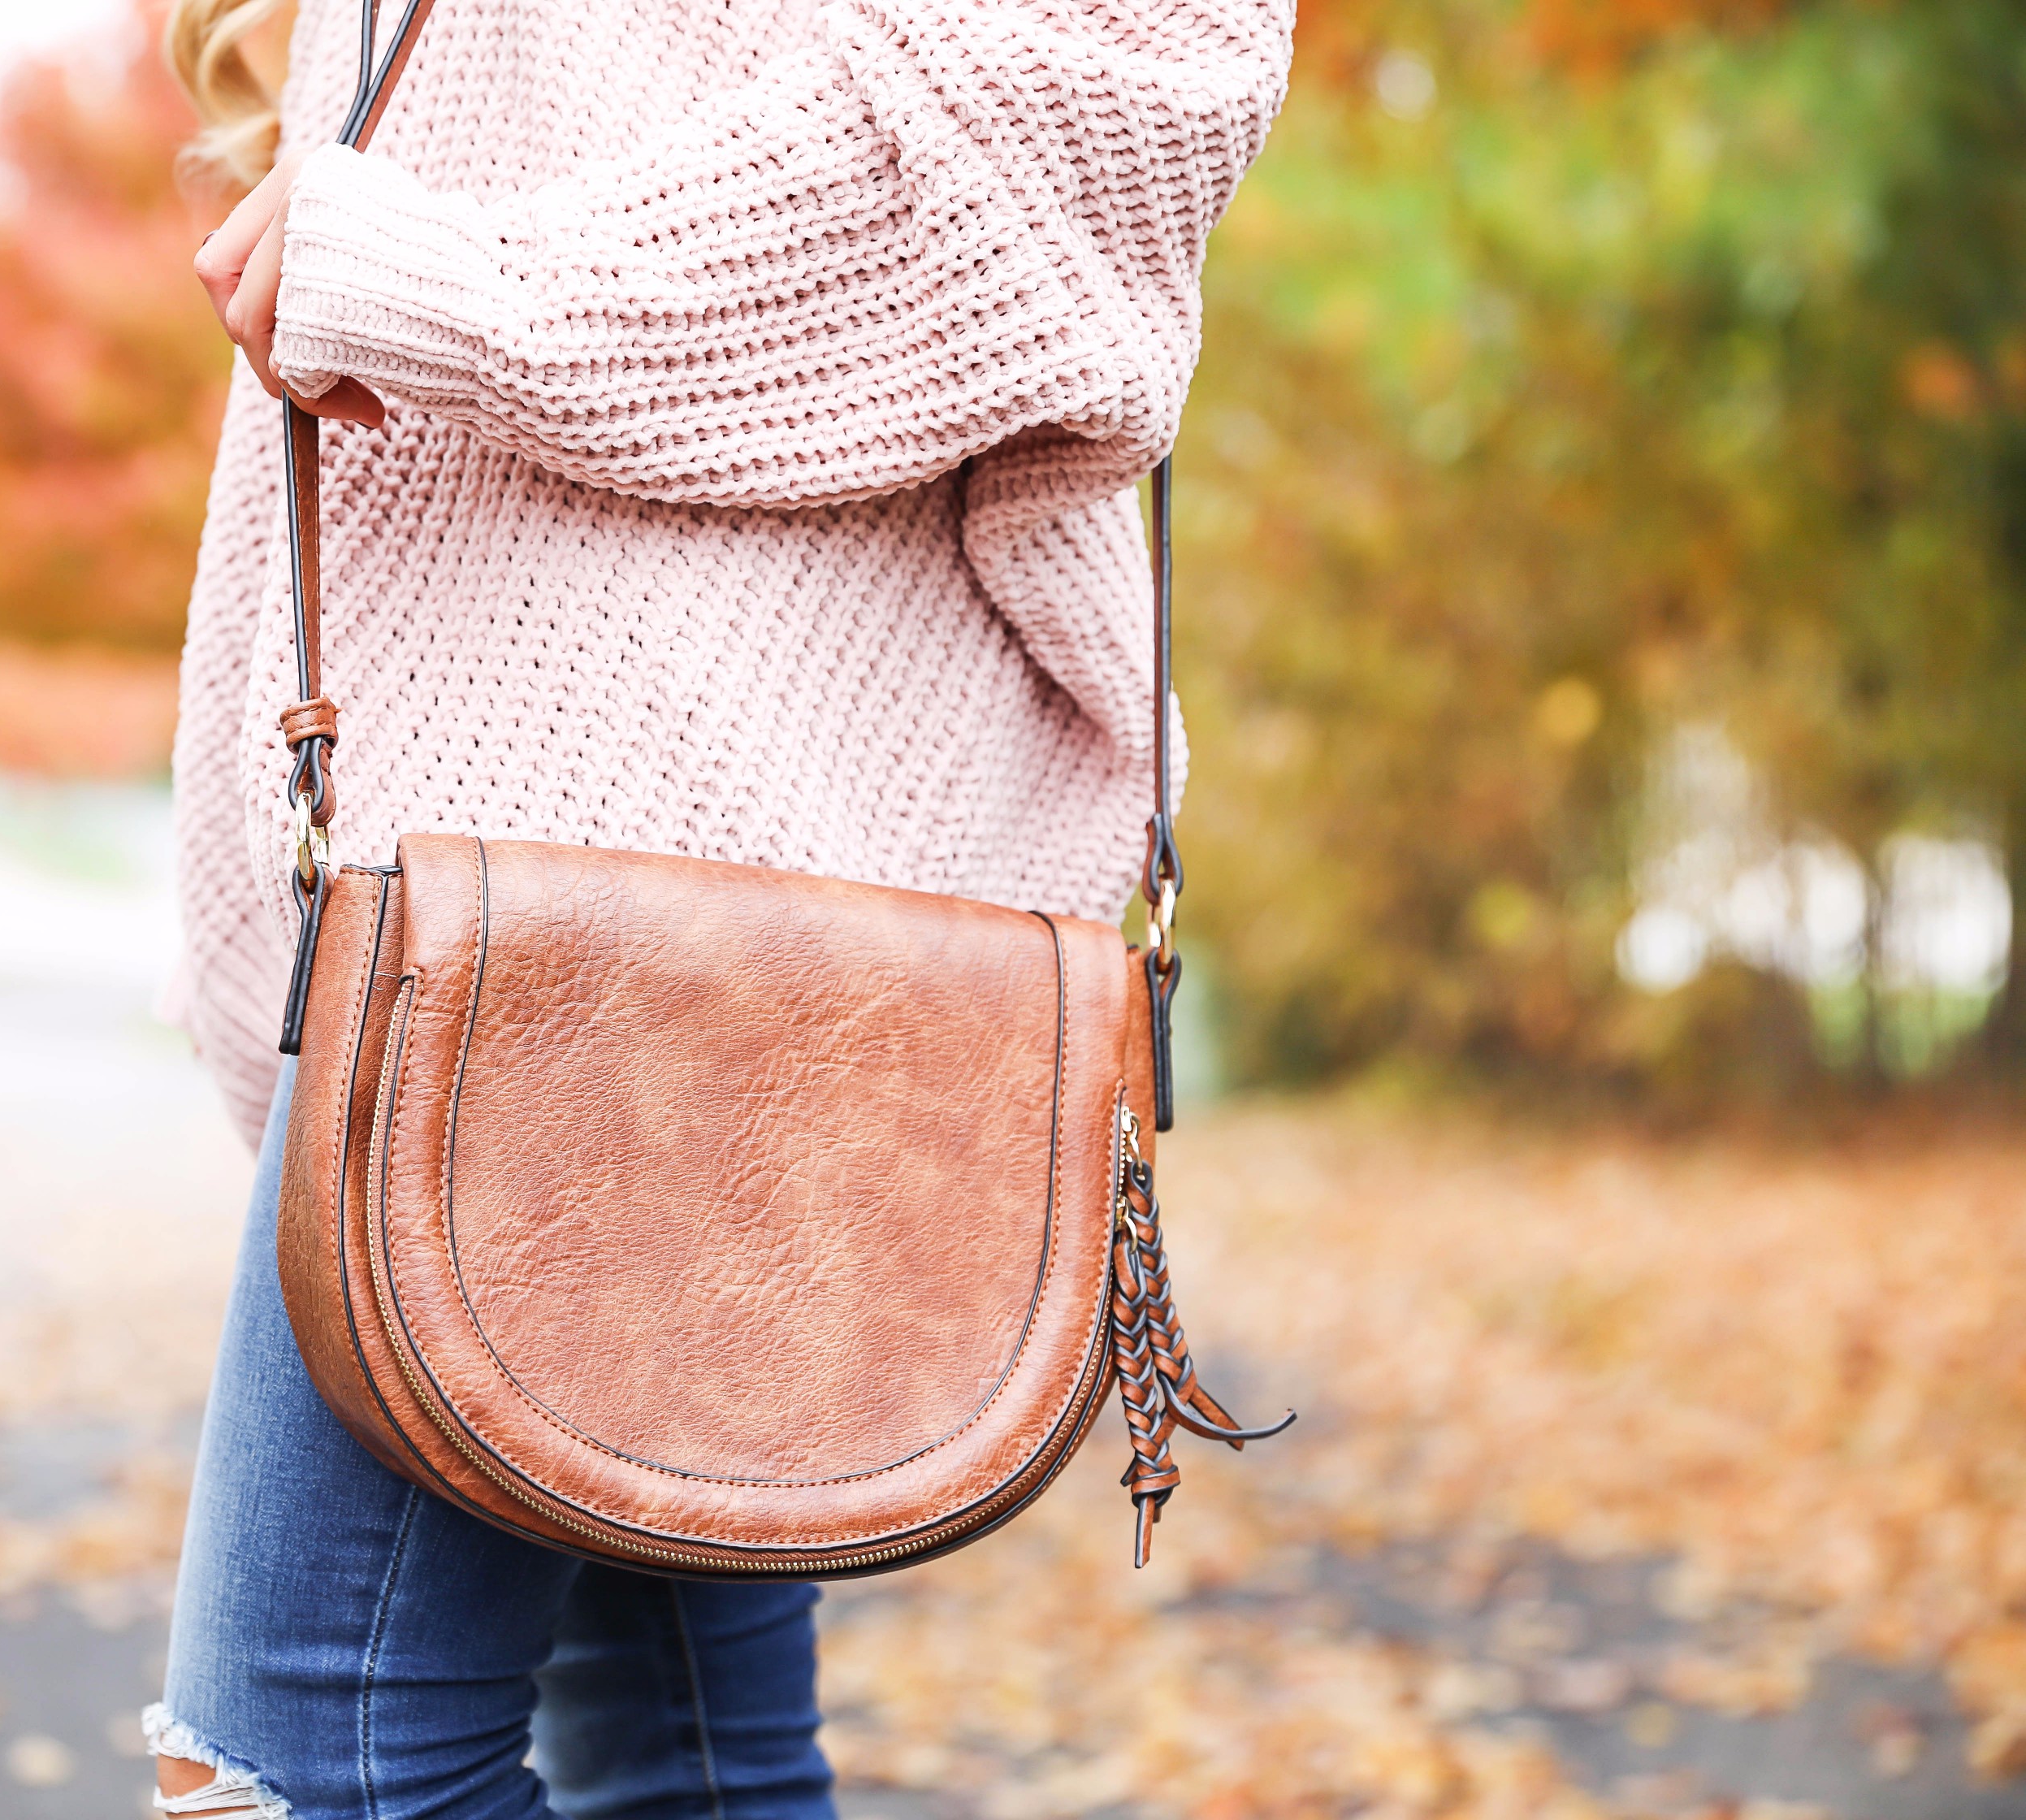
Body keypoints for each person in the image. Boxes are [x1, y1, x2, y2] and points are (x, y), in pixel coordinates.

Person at [142, 0, 1293, 1814]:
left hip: (617, 854)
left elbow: (1107, 105)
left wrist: (473, 284)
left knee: (320, 1771)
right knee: (684, 1756)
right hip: (575, 843)